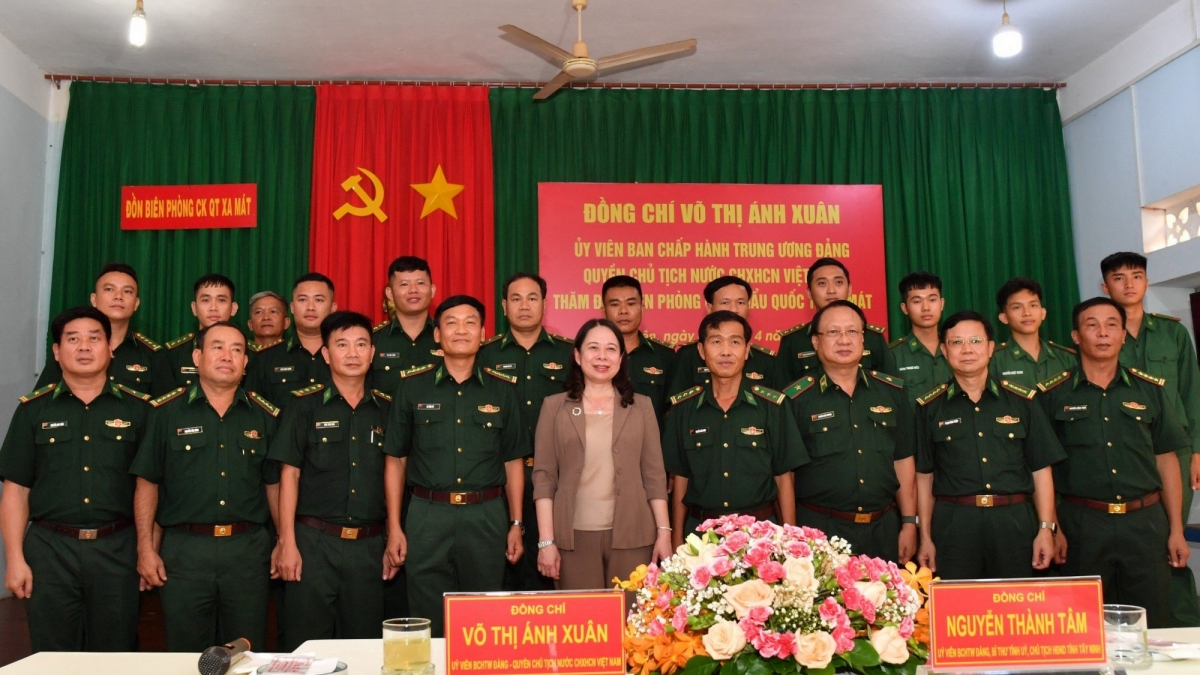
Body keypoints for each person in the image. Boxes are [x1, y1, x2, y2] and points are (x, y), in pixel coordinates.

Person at [0, 307, 151, 652]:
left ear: (110, 348)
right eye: (73, 339)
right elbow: (16, 490)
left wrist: (147, 549)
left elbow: (151, 487)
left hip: (118, 549)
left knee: (116, 654)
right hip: (50, 550)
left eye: (94, 338)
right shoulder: (32, 410)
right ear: (57, 351)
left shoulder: (139, 410)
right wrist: (15, 558)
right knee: (52, 655)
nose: (84, 346)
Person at [1038, 297, 1191, 628]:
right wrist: (1053, 528)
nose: (1103, 333)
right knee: (1083, 625)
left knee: (1152, 622)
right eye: (1092, 325)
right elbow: (1042, 468)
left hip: (1145, 523)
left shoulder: (1150, 390)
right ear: (1076, 336)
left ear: (1123, 335)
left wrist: (1176, 529)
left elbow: (1167, 460)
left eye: (1111, 325)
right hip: (1082, 524)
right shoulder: (1053, 394)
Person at [382, 296, 528, 638]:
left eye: (470, 322)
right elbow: (395, 459)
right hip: (427, 515)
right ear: (437, 335)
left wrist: (516, 523)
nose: (461, 330)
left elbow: (513, 461)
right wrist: (395, 526)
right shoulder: (411, 386)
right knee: (426, 616)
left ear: (483, 333)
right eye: (451, 322)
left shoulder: (503, 390)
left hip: (486, 516)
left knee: (484, 618)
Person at [130, 321, 281, 651]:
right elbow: (148, 482)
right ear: (197, 357)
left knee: (245, 652)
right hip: (185, 552)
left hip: (247, 551)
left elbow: (274, 485)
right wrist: (145, 548)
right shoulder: (166, 412)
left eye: (237, 350)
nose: (227, 356)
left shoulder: (264, 416)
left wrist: (284, 540)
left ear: (245, 363)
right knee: (186, 654)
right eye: (217, 347)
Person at [269, 311, 395, 648]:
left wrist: (392, 534)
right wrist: (286, 542)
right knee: (306, 645)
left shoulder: (386, 409)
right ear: (326, 354)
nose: (352, 353)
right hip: (313, 544)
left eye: (361, 344)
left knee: (365, 648)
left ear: (372, 352)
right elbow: (289, 474)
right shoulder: (303, 405)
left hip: (369, 546)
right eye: (342, 345)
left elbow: (395, 475)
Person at [914, 311, 1065, 580]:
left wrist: (1046, 528)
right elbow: (924, 477)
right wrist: (925, 536)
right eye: (957, 342)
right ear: (944, 351)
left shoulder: (1022, 402)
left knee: (1015, 601)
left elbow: (1041, 470)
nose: (967, 350)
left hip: (1014, 522)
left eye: (975, 341)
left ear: (991, 347)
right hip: (954, 525)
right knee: (958, 602)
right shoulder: (929, 407)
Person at [532, 319, 672, 590]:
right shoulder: (554, 407)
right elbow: (544, 478)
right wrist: (546, 542)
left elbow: (654, 476)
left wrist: (664, 532)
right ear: (577, 355)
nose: (602, 356)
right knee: (582, 615)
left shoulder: (641, 407)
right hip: (573, 538)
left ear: (621, 357)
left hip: (633, 535)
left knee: (632, 614)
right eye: (593, 348)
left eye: (610, 349)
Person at [1102, 251, 1200, 627]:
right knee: (1134, 541)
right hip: (1124, 451)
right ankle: (1134, 623)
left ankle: (1183, 627)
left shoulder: (1173, 332)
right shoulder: (1102, 333)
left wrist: (1196, 450)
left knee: (1173, 539)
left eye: (1137, 276)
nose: (1129, 284)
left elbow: (1191, 392)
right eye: (1119, 278)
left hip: (1174, 449)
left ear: (1146, 281)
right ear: (1105, 286)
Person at [784, 300, 918, 563]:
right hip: (820, 531)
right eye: (833, 332)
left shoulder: (892, 392)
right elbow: (786, 474)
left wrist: (909, 523)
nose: (844, 340)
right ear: (815, 341)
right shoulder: (795, 399)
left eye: (852, 331)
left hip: (884, 528)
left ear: (863, 339)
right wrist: (791, 534)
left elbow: (903, 459)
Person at [661, 311, 808, 545]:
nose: (726, 351)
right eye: (716, 342)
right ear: (701, 350)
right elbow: (681, 478)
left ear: (747, 350)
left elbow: (784, 477)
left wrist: (789, 540)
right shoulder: (684, 409)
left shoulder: (772, 407)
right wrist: (677, 540)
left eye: (735, 342)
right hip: (701, 537)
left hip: (759, 535)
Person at [478, 272, 574, 591]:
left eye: (532, 298)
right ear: (504, 306)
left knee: (556, 573)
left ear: (545, 304)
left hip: (559, 480)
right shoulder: (485, 354)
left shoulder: (569, 354)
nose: (524, 306)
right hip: (501, 481)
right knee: (504, 573)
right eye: (516, 299)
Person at [35, 263, 171, 396]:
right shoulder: (70, 349)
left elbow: (165, 408)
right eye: (109, 289)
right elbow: (43, 402)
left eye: (127, 291)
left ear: (136, 303)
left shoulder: (153, 355)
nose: (118, 296)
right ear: (94, 299)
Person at [778, 258, 894, 382]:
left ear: (849, 289)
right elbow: (782, 389)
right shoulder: (792, 341)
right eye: (822, 284)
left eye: (838, 282)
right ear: (809, 293)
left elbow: (889, 386)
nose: (831, 291)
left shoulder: (873, 338)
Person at [669, 275, 777, 396]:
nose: (734, 309)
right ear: (709, 308)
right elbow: (677, 403)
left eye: (741, 302)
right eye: (725, 302)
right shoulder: (688, 356)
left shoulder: (766, 361)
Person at [245, 273, 337, 405]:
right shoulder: (266, 357)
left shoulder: (345, 355)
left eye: (319, 300)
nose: (310, 307)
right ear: (292, 308)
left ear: (333, 308)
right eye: (303, 300)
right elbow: (253, 409)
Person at [602, 275, 676, 424]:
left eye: (631, 303)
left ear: (642, 308)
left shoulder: (665, 356)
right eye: (615, 304)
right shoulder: (592, 356)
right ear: (604, 311)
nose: (623, 311)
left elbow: (672, 413)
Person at [990, 277, 1077, 389]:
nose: (1027, 313)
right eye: (1017, 307)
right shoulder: (994, 360)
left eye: (1033, 305)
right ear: (1004, 318)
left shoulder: (1066, 358)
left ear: (1043, 313)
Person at [372, 256, 442, 391]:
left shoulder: (448, 338)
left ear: (432, 290)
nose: (413, 290)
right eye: (404, 284)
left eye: (420, 283)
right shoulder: (373, 340)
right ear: (390, 293)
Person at [164, 274, 239, 389]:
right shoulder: (173, 354)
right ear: (194, 308)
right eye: (205, 300)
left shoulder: (251, 355)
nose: (213, 308)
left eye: (221, 300)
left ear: (233, 308)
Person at [889, 272, 952, 399]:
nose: (926, 307)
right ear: (905, 308)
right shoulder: (892, 355)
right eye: (917, 301)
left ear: (942, 304)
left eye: (932, 300)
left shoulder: (956, 348)